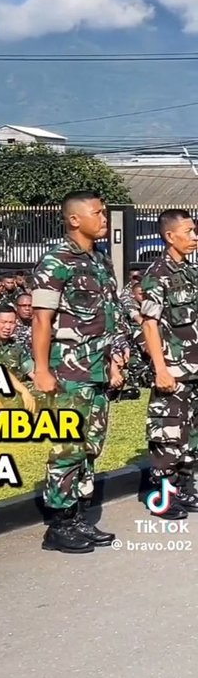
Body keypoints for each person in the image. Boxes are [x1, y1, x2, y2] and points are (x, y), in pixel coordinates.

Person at [32, 190, 125, 554]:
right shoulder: (57, 260)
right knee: (67, 446)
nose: (104, 219)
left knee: (91, 445)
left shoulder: (100, 259)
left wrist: (116, 357)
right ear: (74, 219)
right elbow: (42, 319)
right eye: (98, 213)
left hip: (98, 368)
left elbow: (110, 314)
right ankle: (59, 523)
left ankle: (77, 515)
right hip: (69, 371)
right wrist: (41, 369)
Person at [140, 209, 198, 520]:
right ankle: (163, 497)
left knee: (190, 437)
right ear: (169, 236)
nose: (194, 237)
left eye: (195, 231)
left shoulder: (190, 271)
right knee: (168, 435)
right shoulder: (157, 274)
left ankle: (185, 490)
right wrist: (160, 369)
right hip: (173, 371)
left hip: (194, 370)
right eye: (188, 232)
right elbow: (150, 324)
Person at [0, 304, 36, 410]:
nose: (7, 327)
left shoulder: (16, 344)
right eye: (3, 322)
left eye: (11, 323)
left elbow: (30, 369)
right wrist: (24, 391)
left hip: (16, 388)